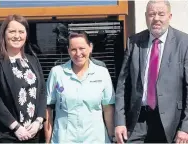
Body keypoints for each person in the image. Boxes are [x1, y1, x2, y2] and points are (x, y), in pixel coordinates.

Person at [115, 0, 188, 143]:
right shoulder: (134, 42)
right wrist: (119, 121)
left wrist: (185, 127)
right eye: (152, 14)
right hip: (138, 119)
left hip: (171, 121)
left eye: (161, 14)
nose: (156, 19)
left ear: (170, 16)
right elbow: (122, 84)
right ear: (146, 16)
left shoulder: (184, 43)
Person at [44, 31, 115, 143]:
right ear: (68, 50)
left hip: (95, 139)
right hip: (64, 139)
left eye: (82, 48)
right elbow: (48, 108)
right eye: (73, 49)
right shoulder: (57, 73)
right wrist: (47, 141)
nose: (78, 53)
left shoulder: (102, 73)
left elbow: (108, 109)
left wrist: (113, 137)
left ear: (90, 47)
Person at [0, 14, 46, 143]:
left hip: (33, 134)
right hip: (6, 136)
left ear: (26, 34)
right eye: (12, 31)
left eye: (21, 31)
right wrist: (15, 127)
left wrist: (38, 121)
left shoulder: (32, 60)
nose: (17, 36)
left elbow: (42, 91)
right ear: (4, 34)